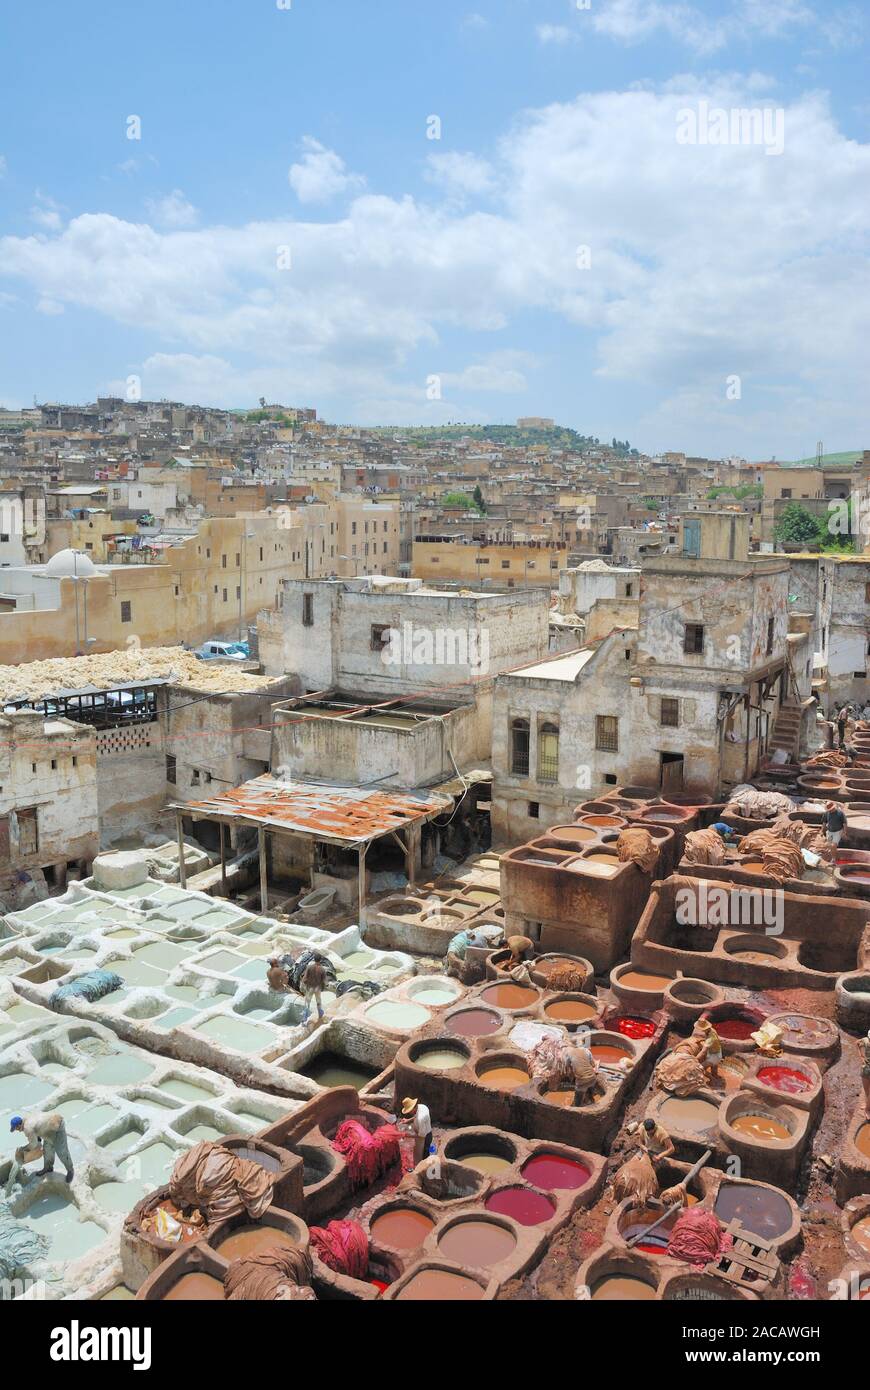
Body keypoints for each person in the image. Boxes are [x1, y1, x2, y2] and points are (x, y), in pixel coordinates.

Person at [9, 1113, 74, 1183]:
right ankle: (48, 1168)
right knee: (47, 1149)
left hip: (57, 1125)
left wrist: (23, 1149)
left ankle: (70, 1170)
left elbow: (33, 1144)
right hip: (49, 1127)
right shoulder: (26, 1118)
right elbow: (37, 1126)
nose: (18, 1131)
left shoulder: (27, 1128)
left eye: (16, 1128)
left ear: (19, 1125)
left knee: (61, 1151)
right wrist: (37, 1137)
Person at [400, 1096, 432, 1166]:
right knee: (419, 1152)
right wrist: (408, 1120)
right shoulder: (421, 1107)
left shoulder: (421, 1118)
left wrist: (407, 1135)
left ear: (413, 1108)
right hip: (423, 1132)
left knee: (424, 1155)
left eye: (409, 1111)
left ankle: (424, 1171)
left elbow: (421, 1136)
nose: (409, 1113)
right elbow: (415, 1116)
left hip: (425, 1136)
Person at [300, 951, 326, 1024]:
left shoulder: (309, 967)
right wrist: (324, 987)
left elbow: (304, 978)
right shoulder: (322, 969)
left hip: (310, 987)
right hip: (317, 988)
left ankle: (304, 1018)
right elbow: (324, 981)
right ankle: (320, 1014)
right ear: (320, 960)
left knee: (307, 1002)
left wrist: (302, 985)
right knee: (318, 1001)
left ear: (314, 959)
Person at [862, 1031, 870, 1115]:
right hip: (866, 1069)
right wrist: (861, 1056)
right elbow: (857, 1043)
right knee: (866, 1090)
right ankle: (867, 1105)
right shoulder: (865, 1041)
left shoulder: (865, 1040)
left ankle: (867, 1109)